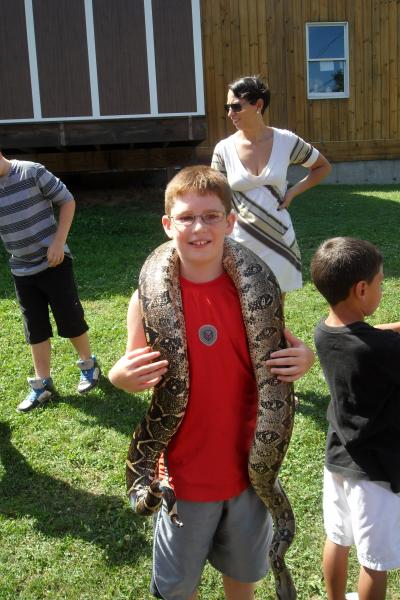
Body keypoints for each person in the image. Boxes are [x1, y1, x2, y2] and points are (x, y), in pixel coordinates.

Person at [109, 166, 314, 600]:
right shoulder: (144, 300)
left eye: (211, 216)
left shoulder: (257, 291)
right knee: (178, 587)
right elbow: (131, 367)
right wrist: (118, 377)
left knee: (242, 577)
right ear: (168, 225)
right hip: (183, 480)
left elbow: (286, 353)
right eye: (186, 217)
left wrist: (305, 359)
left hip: (249, 476)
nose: (198, 227)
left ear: (230, 221)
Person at [311, 237, 400, 600]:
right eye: (381, 282)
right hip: (375, 473)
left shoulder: (325, 331)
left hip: (339, 460)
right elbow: (378, 345)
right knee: (374, 563)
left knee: (338, 539)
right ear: (361, 289)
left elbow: (367, 336)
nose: (382, 288)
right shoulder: (382, 352)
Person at [0, 151, 101, 413]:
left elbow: (67, 201)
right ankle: (43, 384)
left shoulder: (31, 172)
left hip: (54, 262)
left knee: (68, 316)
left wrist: (58, 242)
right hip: (21, 269)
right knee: (34, 326)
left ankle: (89, 365)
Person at [212, 75, 331, 295]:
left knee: (278, 307)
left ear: (258, 105)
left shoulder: (286, 141)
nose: (230, 113)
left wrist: (293, 192)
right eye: (227, 107)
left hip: (279, 239)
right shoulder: (223, 149)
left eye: (236, 107)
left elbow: (322, 166)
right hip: (239, 239)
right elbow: (215, 194)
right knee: (243, 305)